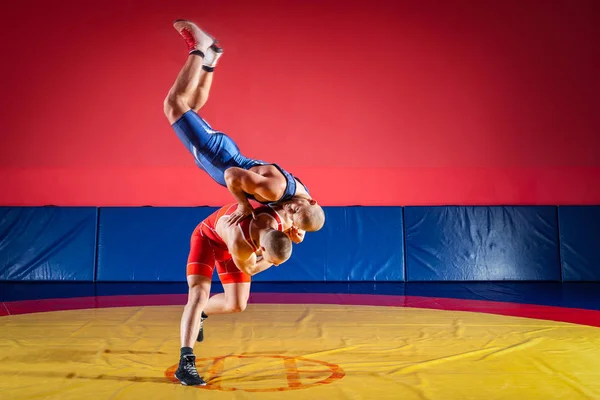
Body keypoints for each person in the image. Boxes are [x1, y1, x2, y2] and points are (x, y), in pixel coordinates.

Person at [163, 19, 325, 231]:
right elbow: (231, 174)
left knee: (190, 109)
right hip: (218, 156)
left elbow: (302, 217)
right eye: (295, 210)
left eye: (293, 215)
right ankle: (199, 47)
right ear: (311, 202)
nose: (290, 210)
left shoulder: (303, 195)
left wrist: (295, 224)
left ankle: (211, 59)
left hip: (219, 155)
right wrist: (243, 205)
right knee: (174, 105)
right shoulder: (276, 191)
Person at [175, 203, 298, 386]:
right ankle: (185, 362)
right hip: (208, 238)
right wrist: (270, 262)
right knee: (198, 293)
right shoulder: (241, 244)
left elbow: (306, 206)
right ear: (261, 250)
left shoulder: (286, 218)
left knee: (237, 304)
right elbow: (253, 267)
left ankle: (200, 314)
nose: (276, 265)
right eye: (273, 261)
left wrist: (300, 232)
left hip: (236, 242)